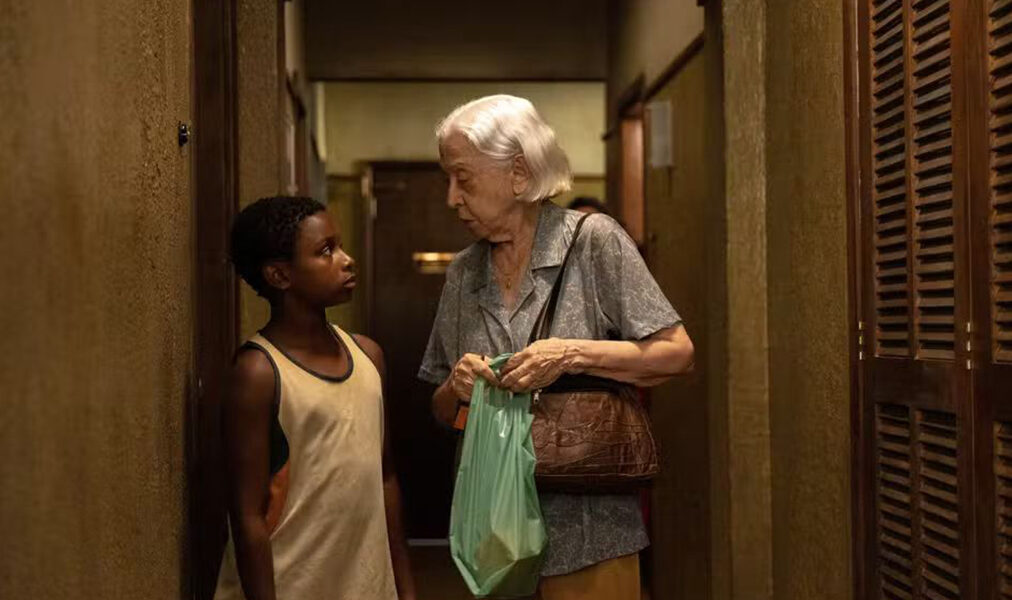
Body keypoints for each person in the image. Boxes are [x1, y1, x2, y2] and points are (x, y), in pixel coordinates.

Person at [418, 95, 694, 600]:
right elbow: (441, 410)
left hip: (590, 533)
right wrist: (455, 388)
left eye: (463, 178)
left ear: (519, 173)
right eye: (447, 179)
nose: (451, 198)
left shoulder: (593, 241)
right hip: (492, 538)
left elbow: (676, 352)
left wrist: (571, 354)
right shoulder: (463, 273)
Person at [215, 196, 415, 600]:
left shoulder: (368, 357)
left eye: (340, 245)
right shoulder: (259, 373)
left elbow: (385, 476)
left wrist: (404, 589)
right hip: (291, 585)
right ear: (279, 275)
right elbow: (247, 516)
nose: (347, 259)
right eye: (326, 251)